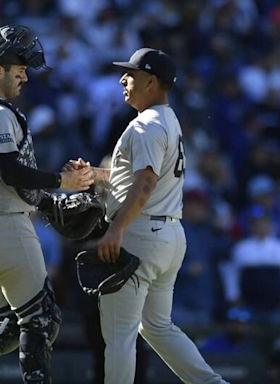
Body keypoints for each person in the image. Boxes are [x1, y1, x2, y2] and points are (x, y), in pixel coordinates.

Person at [0, 25, 94, 384]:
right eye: (19, 68)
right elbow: (9, 170)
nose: (25, 76)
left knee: (8, 326)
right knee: (42, 319)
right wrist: (61, 182)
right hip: (5, 227)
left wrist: (50, 188)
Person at [73, 48, 228, 383]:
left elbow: (144, 185)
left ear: (150, 81)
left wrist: (115, 229)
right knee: (156, 327)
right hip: (169, 233)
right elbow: (139, 177)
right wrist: (96, 175)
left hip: (141, 233)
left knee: (120, 335)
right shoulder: (167, 120)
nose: (122, 80)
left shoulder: (146, 125)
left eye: (130, 75)